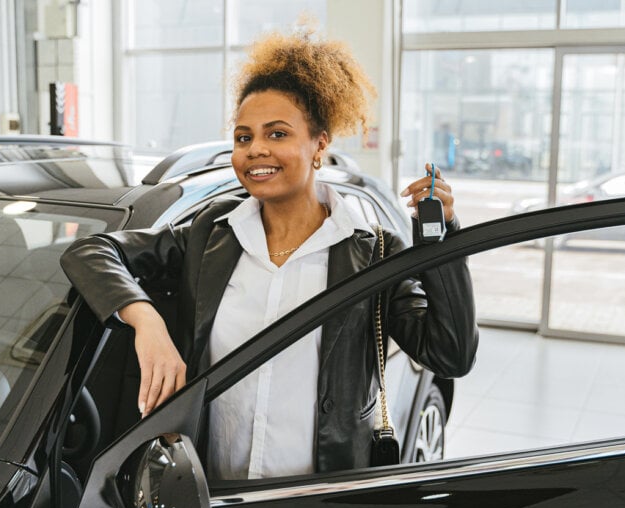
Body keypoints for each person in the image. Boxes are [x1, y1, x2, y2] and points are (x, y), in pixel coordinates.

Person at [60, 28, 478, 479]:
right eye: (243, 137)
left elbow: (451, 354)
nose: (256, 149)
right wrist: (146, 321)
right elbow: (93, 250)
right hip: (210, 496)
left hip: (316, 505)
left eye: (277, 133)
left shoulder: (373, 252)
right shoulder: (210, 234)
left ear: (320, 143)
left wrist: (443, 240)